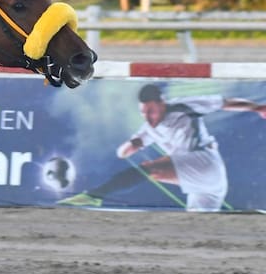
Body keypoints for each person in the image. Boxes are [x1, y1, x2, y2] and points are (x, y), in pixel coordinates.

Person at [59, 83, 266, 212]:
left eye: (151, 111)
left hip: (204, 162)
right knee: (198, 222)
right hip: (205, 184)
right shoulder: (148, 128)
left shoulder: (183, 107)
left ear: (162, 103)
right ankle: (250, 215)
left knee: (151, 169)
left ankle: (94, 196)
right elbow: (125, 151)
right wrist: (127, 149)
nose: (148, 117)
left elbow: (224, 103)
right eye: (144, 113)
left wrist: (256, 107)